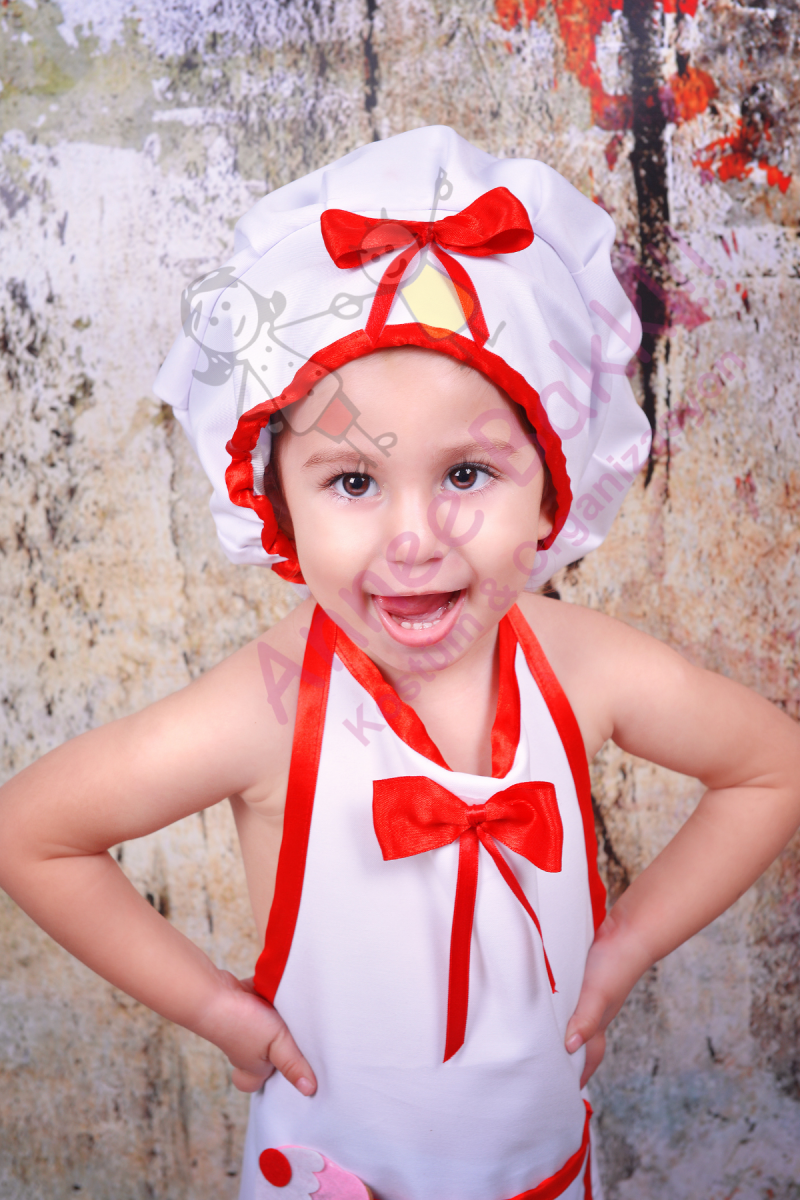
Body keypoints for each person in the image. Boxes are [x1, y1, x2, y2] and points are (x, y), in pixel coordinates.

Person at [0, 126, 798, 1200]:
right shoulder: (268, 710)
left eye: (467, 473)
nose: (414, 538)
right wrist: (216, 1008)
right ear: (277, 500)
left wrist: (622, 950)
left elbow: (770, 767)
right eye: (353, 482)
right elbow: (33, 832)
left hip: (547, 1175)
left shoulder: (583, 668)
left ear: (551, 490)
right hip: (337, 1178)